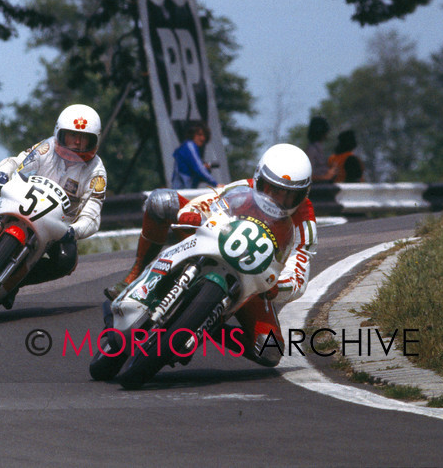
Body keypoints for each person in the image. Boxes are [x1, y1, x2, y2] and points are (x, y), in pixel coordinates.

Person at [104, 143, 318, 367]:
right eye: (271, 189)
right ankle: (134, 276)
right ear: (259, 178)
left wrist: (277, 287)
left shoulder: (306, 224)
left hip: (252, 284)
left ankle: (207, 325)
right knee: (160, 201)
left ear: (303, 195)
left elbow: (299, 274)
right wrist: (190, 214)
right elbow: (208, 202)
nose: (278, 200)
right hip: (212, 243)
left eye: (289, 196)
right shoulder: (244, 188)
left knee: (270, 349)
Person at [0, 104, 107, 307]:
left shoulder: (97, 173)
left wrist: (73, 231)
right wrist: (2, 173)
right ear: (59, 134)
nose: (77, 142)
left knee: (66, 262)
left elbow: (92, 214)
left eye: (84, 138)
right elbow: (17, 162)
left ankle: (15, 281)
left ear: (95, 140)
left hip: (57, 225)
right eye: (71, 136)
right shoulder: (46, 148)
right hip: (21, 201)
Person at [171, 121, 219, 189]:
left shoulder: (189, 147)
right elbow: (199, 168)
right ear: (192, 134)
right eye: (199, 134)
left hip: (185, 188)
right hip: (182, 189)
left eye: (204, 135)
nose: (202, 138)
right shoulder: (190, 146)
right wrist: (216, 184)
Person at [305, 116, 338, 183]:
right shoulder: (311, 150)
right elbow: (307, 177)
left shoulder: (319, 149)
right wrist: (326, 177)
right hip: (316, 190)